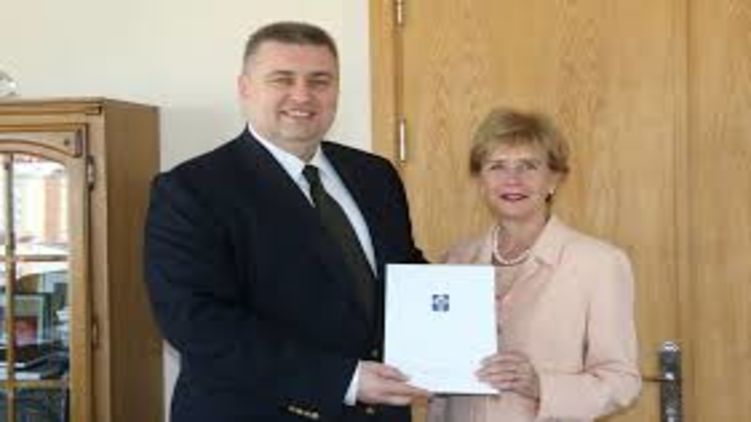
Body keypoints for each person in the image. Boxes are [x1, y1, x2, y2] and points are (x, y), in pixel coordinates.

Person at [144, 21, 428, 422]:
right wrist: (343, 380)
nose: (302, 95)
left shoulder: (375, 175)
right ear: (245, 88)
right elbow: (195, 322)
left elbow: (404, 274)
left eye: (320, 81)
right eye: (282, 79)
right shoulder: (191, 190)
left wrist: (469, 310)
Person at [427, 108, 641, 421]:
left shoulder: (598, 263)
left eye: (528, 166)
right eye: (497, 166)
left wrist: (540, 385)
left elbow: (622, 382)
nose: (512, 180)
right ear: (480, 180)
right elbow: (440, 386)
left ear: (554, 178)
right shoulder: (455, 260)